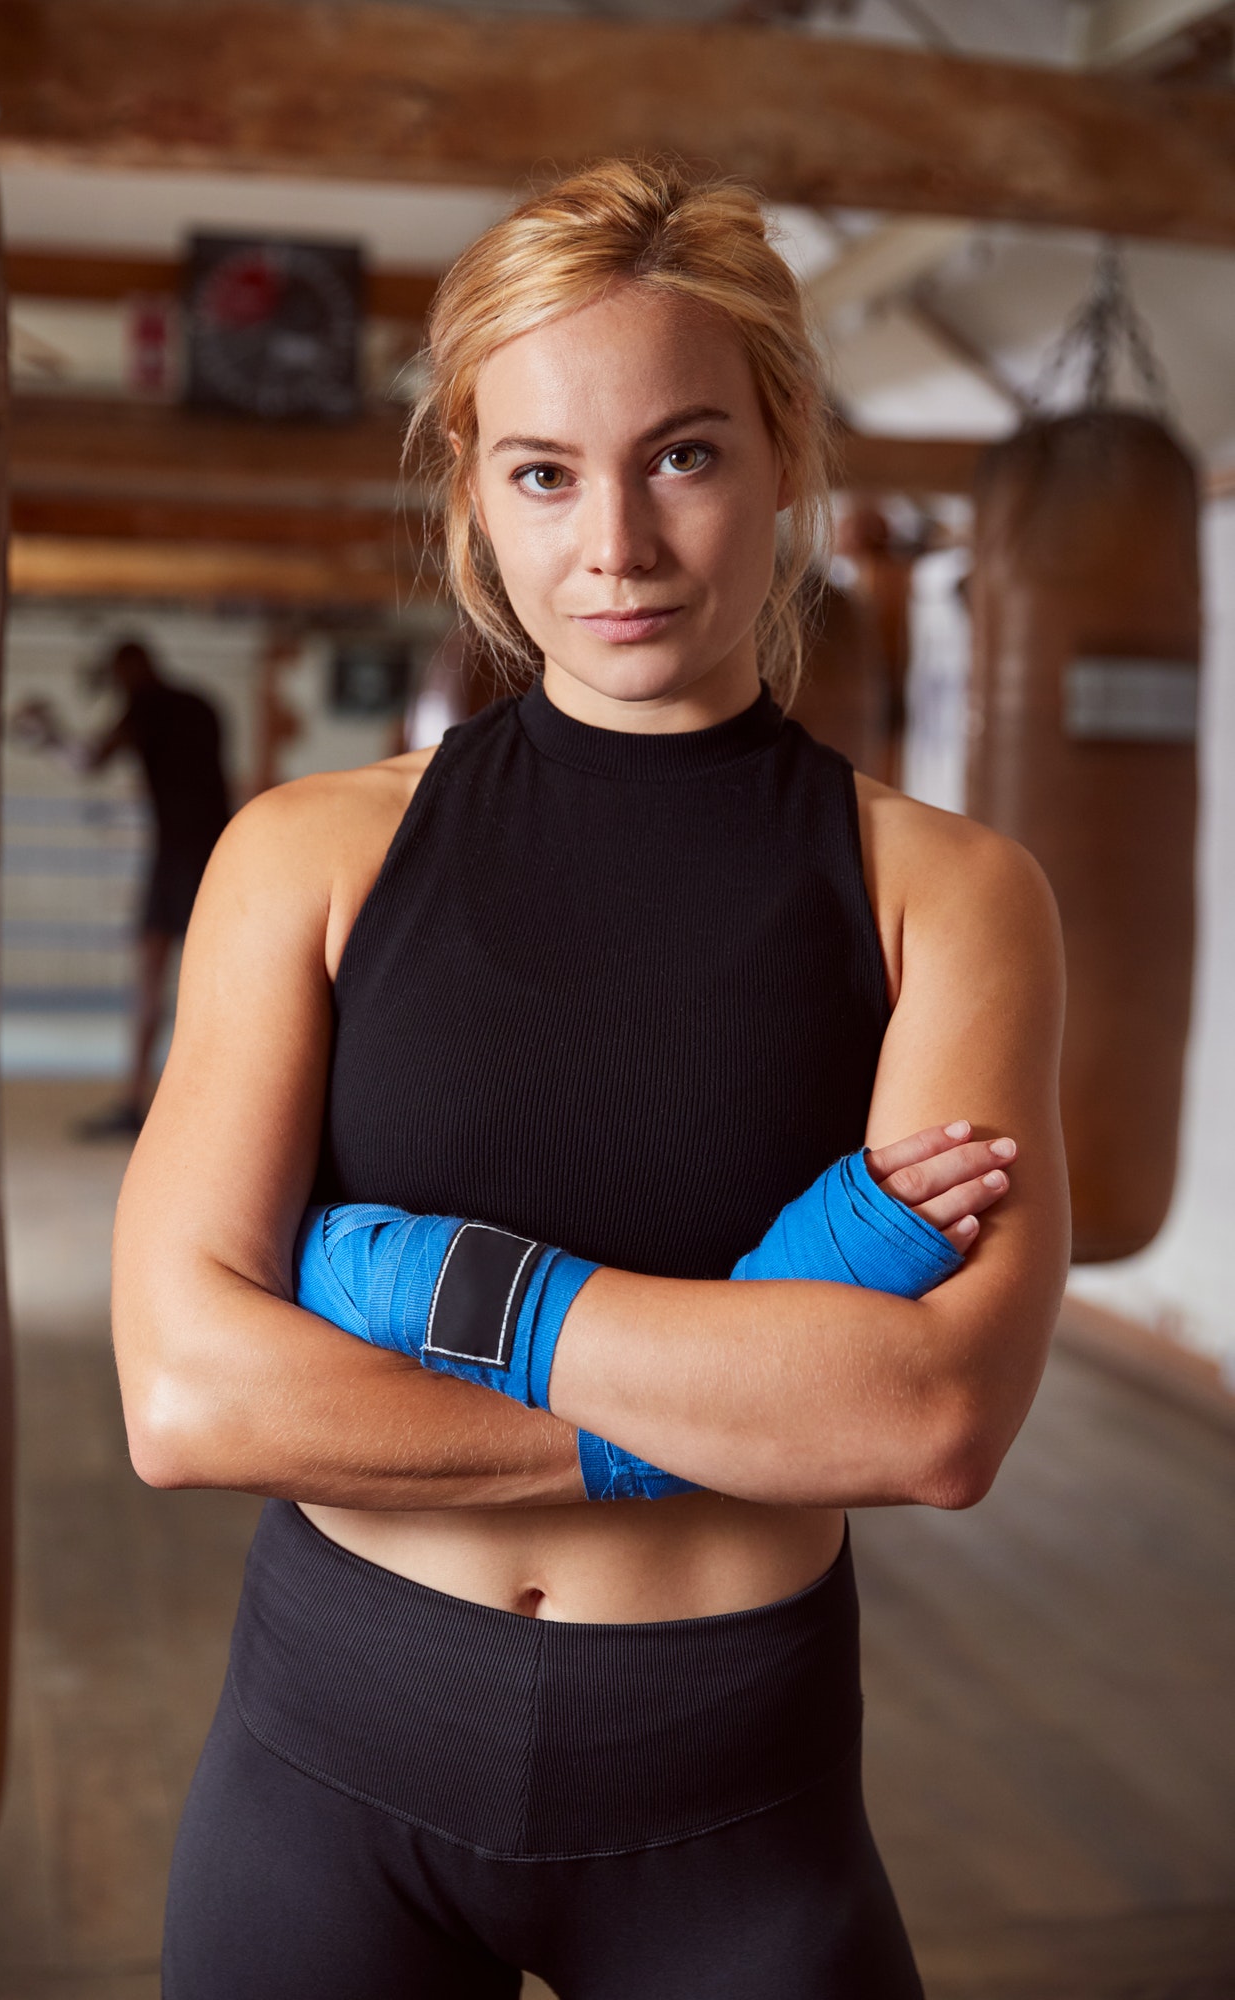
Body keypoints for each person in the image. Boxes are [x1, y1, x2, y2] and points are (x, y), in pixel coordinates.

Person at [112, 161, 1069, 1998]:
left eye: (683, 456)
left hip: (727, 1795)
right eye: (542, 472)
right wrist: (744, 1383)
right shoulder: (306, 857)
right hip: (328, 1766)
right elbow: (186, 1396)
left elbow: (929, 1423)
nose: (611, 547)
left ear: (786, 453)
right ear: (472, 488)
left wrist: (416, 1296)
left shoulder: (942, 893)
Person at [16, 638, 231, 1136]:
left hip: (179, 856)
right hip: (217, 850)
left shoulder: (149, 706)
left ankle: (138, 1100)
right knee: (210, 982)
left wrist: (47, 733)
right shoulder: (199, 704)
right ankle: (196, 1102)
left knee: (154, 978)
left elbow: (89, 760)